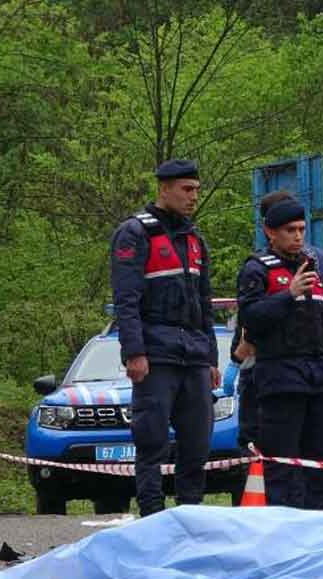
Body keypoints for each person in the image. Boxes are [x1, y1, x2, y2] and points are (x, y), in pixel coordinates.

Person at [110, 159, 220, 517]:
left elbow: (205, 303)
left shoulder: (194, 238)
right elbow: (126, 300)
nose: (193, 197)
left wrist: (212, 358)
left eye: (197, 190)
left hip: (195, 357)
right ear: (164, 189)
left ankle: (190, 515)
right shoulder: (134, 233)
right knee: (152, 441)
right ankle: (152, 516)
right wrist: (134, 352)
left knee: (197, 445)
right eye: (187, 190)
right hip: (157, 355)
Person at [237, 195, 323, 510]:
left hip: (317, 380)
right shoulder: (257, 268)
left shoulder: (315, 266)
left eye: (301, 229)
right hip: (280, 380)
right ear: (271, 232)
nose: (297, 236)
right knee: (282, 470)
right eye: (290, 230)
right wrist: (288, 295)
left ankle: (318, 532)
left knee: (321, 468)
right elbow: (250, 319)